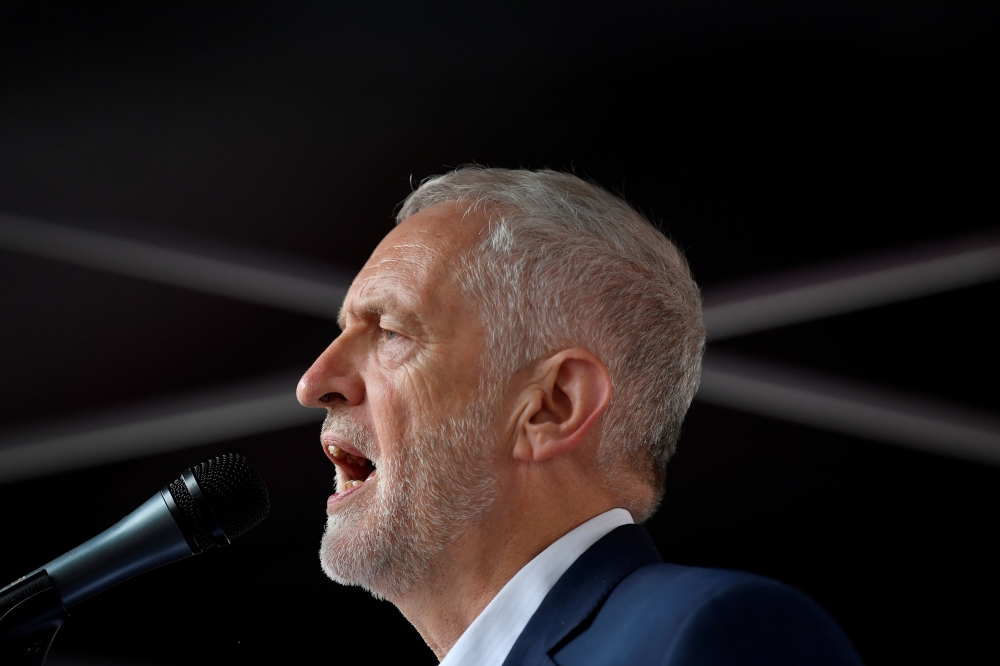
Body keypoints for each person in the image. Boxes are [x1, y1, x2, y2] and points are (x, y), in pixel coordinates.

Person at [296, 167, 863, 665]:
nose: (313, 384)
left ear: (552, 406)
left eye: (391, 331)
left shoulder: (711, 635)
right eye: (341, 332)